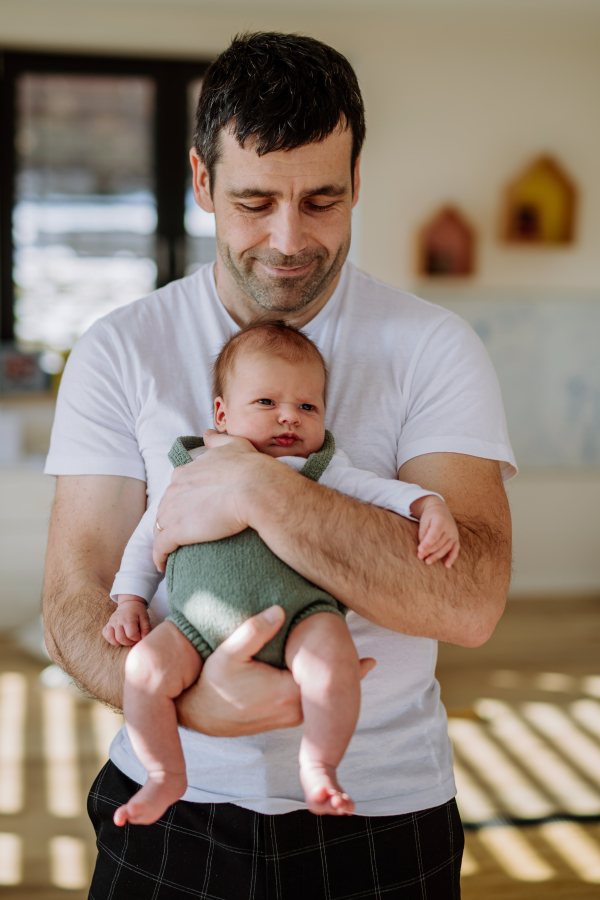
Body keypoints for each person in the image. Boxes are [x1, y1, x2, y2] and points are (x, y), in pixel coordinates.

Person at [43, 31, 516, 899]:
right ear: (201, 183)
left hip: (381, 814)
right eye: (256, 201)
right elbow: (76, 602)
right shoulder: (121, 350)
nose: (290, 240)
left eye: (323, 201)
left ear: (358, 184)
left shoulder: (434, 350)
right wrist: (192, 707)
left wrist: (261, 489)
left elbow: (471, 598)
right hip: (168, 810)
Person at [103, 321, 460, 825]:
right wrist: (130, 600)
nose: (289, 417)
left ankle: (319, 764)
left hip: (304, 617)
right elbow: (148, 538)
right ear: (222, 415)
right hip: (193, 628)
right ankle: (165, 774)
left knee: (334, 660)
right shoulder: (190, 469)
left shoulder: (322, 469)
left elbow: (382, 492)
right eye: (267, 403)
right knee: (143, 671)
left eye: (307, 407)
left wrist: (430, 506)